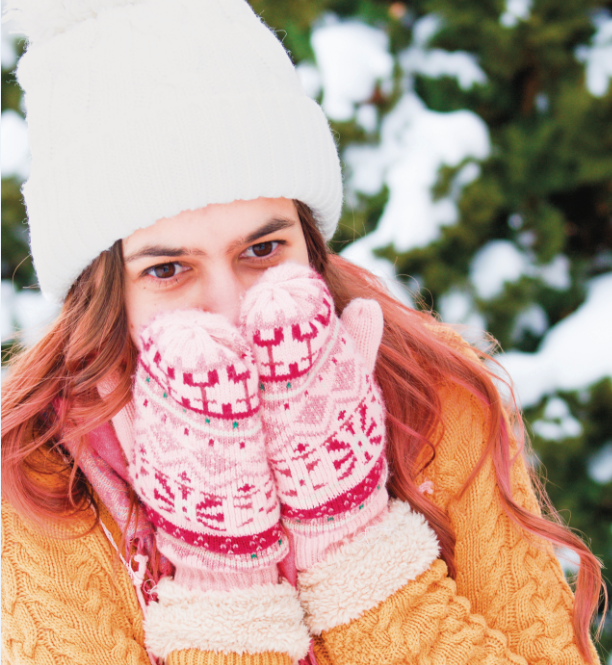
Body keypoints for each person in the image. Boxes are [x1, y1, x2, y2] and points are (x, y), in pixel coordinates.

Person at [1, 0, 605, 664]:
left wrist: (354, 547)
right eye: (168, 268)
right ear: (102, 293)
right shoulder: (34, 483)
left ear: (310, 244)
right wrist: (226, 580)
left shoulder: (432, 399)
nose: (230, 307)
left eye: (262, 251)